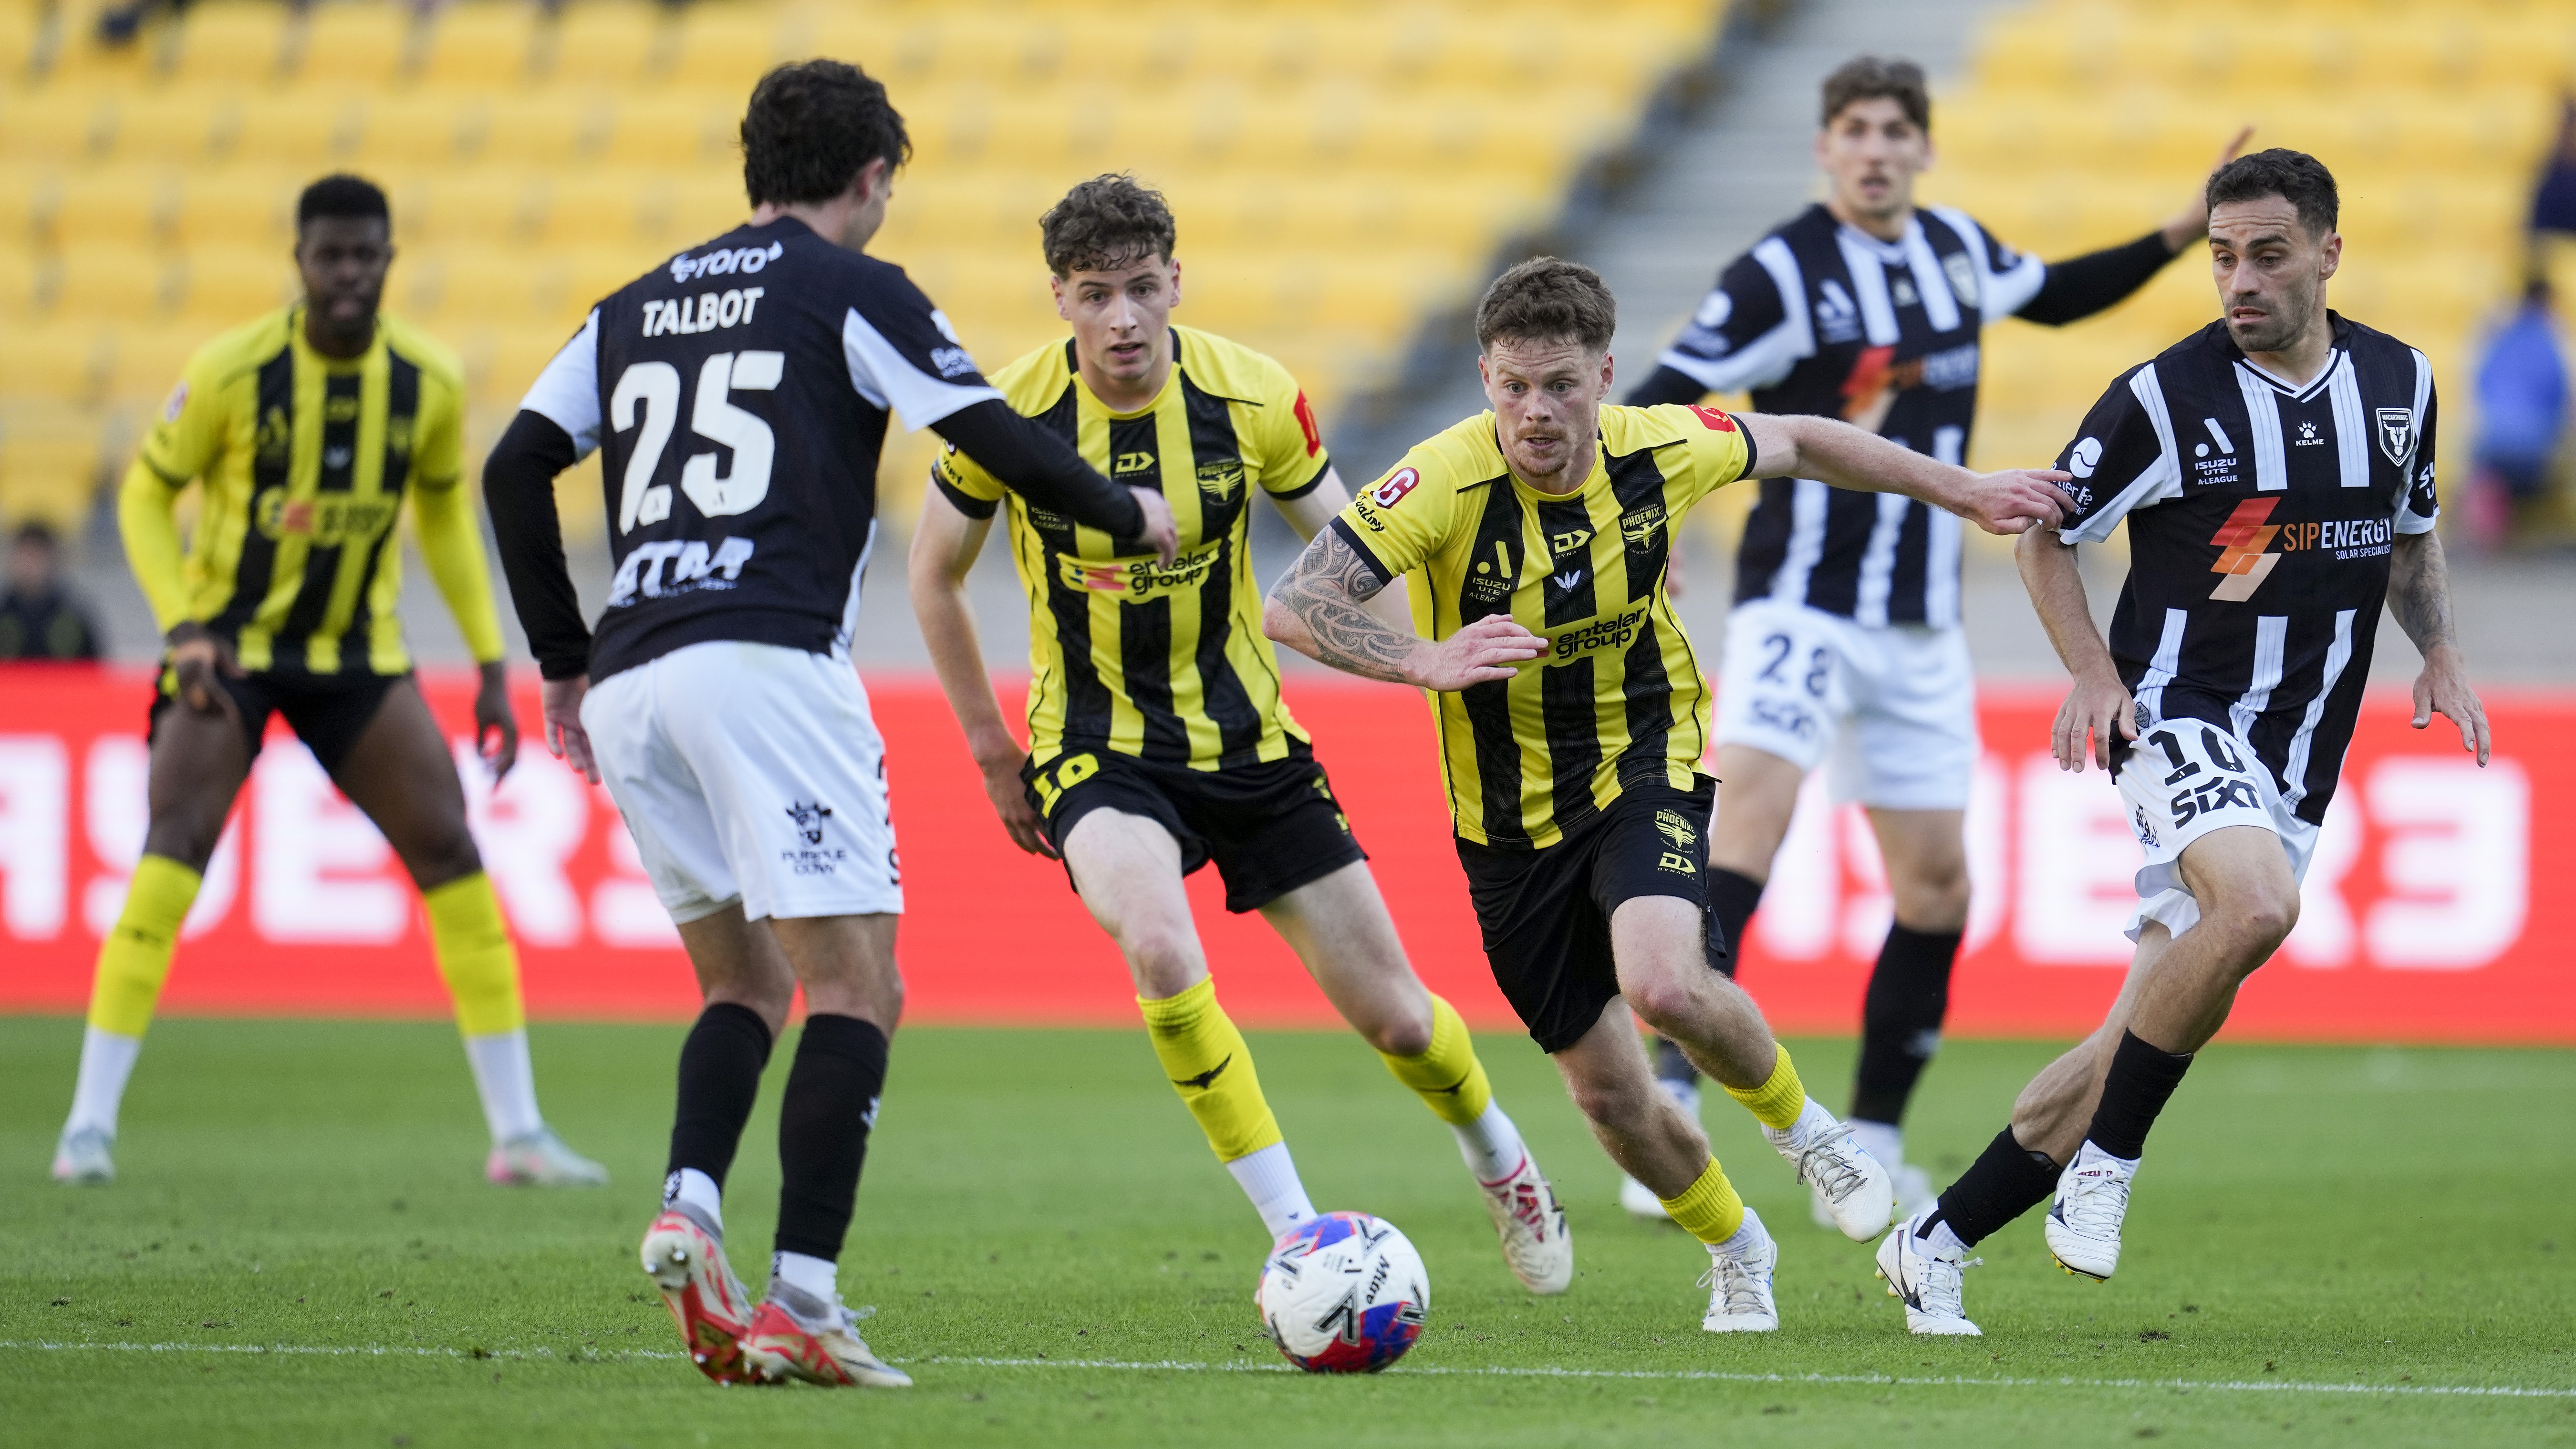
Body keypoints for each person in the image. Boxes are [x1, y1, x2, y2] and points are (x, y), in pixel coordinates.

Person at [480, 62, 1174, 1389]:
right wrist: (1124, 512)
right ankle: (803, 1293)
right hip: (767, 659)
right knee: (860, 986)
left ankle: (690, 1197)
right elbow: (990, 430)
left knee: (742, 981)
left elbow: (515, 463)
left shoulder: (632, 303)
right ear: (872, 179)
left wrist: (562, 662)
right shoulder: (859, 289)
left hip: (633, 676)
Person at [1263, 257, 2073, 1331]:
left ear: (1605, 374)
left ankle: (1809, 1134)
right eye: (1512, 388)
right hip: (1505, 828)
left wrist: (1962, 489)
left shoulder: (1664, 447)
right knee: (1608, 1096)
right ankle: (1738, 1243)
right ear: (1484, 379)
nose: (1535, 413)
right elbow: (1295, 602)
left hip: (1645, 761)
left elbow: (1804, 437)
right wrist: (1423, 656)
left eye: (1560, 385)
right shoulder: (1441, 480)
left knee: (1667, 985)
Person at [1617, 56, 2249, 1226]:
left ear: (1922, 148)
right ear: (1824, 149)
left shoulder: (1956, 249)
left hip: (1915, 623)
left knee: (1938, 886)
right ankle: (1676, 1094)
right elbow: (1660, 393)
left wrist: (2176, 227)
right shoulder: (1780, 272)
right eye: (1851, 129)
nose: (1872, 149)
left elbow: (2055, 292)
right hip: (1800, 599)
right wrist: (1646, 518)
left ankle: (1873, 1136)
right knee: (1749, 820)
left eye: (1892, 131)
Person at [909, 175, 1571, 1291]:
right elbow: (933, 576)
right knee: (1161, 949)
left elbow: (1361, 549)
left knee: (1401, 1022)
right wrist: (990, 750)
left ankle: (1501, 1162)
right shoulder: (1007, 418)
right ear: (1059, 301)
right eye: (1093, 294)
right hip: (1094, 749)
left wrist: (1432, 664)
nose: (1121, 317)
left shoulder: (1255, 398)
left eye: (1139, 288)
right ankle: (1298, 1236)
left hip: (1252, 745)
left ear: (1176, 280)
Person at [1872, 150, 2489, 1336]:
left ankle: (1933, 1241)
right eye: (2219, 257)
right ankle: (2107, 1170)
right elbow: (2044, 537)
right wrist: (2095, 676)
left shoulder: (2398, 383)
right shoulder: (2163, 399)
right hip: (2174, 715)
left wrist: (2443, 648)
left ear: (2326, 252)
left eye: (2264, 254)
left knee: (2129, 1035)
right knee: (2255, 910)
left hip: (2299, 757)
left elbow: (2407, 538)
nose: (2237, 280)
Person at [50, 173, 606, 1192]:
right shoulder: (232, 371)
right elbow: (144, 491)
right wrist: (179, 628)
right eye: (330, 256)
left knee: (449, 847)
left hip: (355, 656)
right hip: (231, 651)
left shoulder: (426, 383)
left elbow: (442, 516)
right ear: (299, 263)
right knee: (173, 847)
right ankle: (86, 1127)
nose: (348, 274)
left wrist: (491, 660)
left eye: (366, 255)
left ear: (390, 260)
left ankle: (519, 1134)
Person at [2465, 275, 2566, 548]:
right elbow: (2561, 395)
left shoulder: (2500, 334)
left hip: (2492, 444)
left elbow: (2479, 382)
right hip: (2535, 449)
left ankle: (2485, 537)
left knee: (2484, 463)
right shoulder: (2552, 339)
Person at [0, 522, 105, 661]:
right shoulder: (3, 614)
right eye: (24, 556)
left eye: (36, 556)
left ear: (52, 560)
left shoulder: (74, 617)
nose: (29, 565)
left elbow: (96, 672)